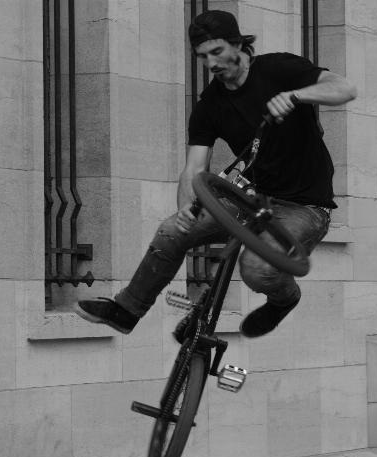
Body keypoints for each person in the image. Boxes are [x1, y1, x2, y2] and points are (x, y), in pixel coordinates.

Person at [75, 10, 357, 339]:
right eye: (203, 57)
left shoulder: (279, 69)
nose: (211, 63)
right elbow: (195, 167)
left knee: (257, 269)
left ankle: (284, 299)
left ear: (237, 44)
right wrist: (184, 208)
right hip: (250, 199)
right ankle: (126, 310)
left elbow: (345, 88)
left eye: (217, 52)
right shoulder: (210, 104)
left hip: (304, 208)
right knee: (171, 231)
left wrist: (297, 95)